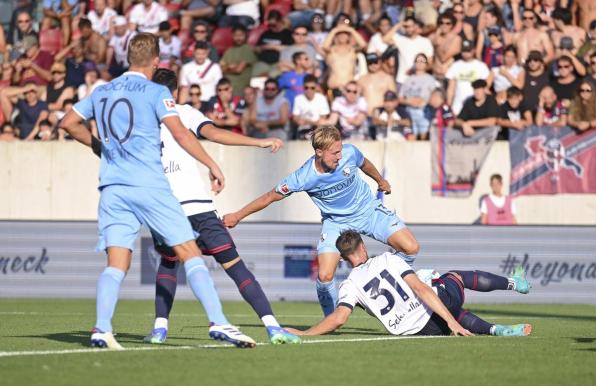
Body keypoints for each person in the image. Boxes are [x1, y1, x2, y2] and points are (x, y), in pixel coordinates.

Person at [59, 33, 254, 349]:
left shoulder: (102, 90)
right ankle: (219, 321)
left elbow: (68, 122)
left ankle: (101, 328)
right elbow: (180, 133)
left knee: (116, 262)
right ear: (156, 61)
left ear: (127, 58)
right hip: (149, 184)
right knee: (189, 251)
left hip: (112, 187)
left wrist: (99, 147)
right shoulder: (155, 91)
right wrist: (211, 165)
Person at [142, 68, 300, 345]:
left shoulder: (139, 121)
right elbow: (214, 134)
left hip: (164, 208)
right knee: (235, 266)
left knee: (169, 264)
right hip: (197, 207)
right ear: (176, 91)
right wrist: (259, 142)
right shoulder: (183, 112)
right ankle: (273, 327)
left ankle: (159, 328)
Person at [223, 126, 420, 316]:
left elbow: (364, 163)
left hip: (368, 211)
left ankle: (383, 279)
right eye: (334, 152)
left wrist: (380, 181)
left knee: (411, 247)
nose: (340, 156)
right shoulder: (302, 177)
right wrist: (238, 215)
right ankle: (331, 318)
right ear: (319, 152)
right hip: (336, 223)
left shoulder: (350, 153)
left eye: (340, 150)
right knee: (325, 276)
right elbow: (268, 197)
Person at [285, 230, 532, 337]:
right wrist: (449, 320)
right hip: (431, 314)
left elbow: (339, 319)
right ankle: (514, 283)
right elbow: (420, 289)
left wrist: (305, 333)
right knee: (453, 277)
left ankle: (494, 329)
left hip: (417, 331)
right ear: (363, 246)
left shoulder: (349, 285)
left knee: (454, 313)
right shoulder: (387, 259)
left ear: (342, 257)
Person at [383, 16, 434, 86]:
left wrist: (416, 69)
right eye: (406, 27)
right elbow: (385, 39)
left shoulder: (425, 42)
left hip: (419, 80)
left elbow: (430, 63)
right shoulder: (400, 39)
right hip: (402, 80)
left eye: (410, 26)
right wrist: (398, 25)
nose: (408, 29)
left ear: (416, 26)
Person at [398, 53, 438, 140]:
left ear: (426, 64)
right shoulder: (408, 79)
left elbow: (435, 97)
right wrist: (409, 101)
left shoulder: (430, 79)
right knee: (411, 137)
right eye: (417, 61)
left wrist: (424, 102)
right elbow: (400, 98)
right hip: (409, 112)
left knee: (424, 136)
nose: (419, 63)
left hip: (423, 111)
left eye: (422, 61)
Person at [446, 40, 490, 115]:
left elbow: (485, 88)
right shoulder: (455, 65)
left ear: (473, 50)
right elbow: (451, 88)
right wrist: (448, 105)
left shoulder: (481, 66)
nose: (466, 53)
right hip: (458, 105)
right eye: (464, 50)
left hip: (476, 104)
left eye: (468, 50)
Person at [252, 10, 293, 78]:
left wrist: (272, 47)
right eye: (269, 25)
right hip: (263, 62)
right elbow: (256, 48)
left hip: (278, 63)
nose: (271, 27)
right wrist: (264, 47)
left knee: (274, 76)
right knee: (255, 77)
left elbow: (289, 48)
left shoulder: (287, 34)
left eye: (274, 25)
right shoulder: (266, 33)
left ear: (280, 22)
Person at [219, 25, 257, 96]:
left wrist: (227, 68)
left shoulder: (247, 49)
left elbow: (238, 70)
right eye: (236, 35)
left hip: (240, 91)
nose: (238, 38)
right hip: (225, 90)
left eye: (241, 35)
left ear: (246, 36)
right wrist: (229, 67)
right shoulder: (229, 51)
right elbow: (220, 69)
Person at [292, 74, 330, 139]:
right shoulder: (298, 99)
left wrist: (307, 121)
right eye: (306, 88)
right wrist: (300, 121)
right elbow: (296, 118)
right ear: (303, 87)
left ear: (316, 87)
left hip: (318, 131)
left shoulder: (322, 98)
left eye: (312, 88)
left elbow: (322, 119)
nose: (309, 90)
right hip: (302, 131)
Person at [430, 11, 462, 83]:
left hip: (448, 76)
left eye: (448, 23)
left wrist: (436, 43)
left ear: (452, 25)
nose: (444, 25)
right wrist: (437, 35)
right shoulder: (434, 37)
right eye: (441, 23)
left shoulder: (456, 39)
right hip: (434, 75)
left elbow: (444, 58)